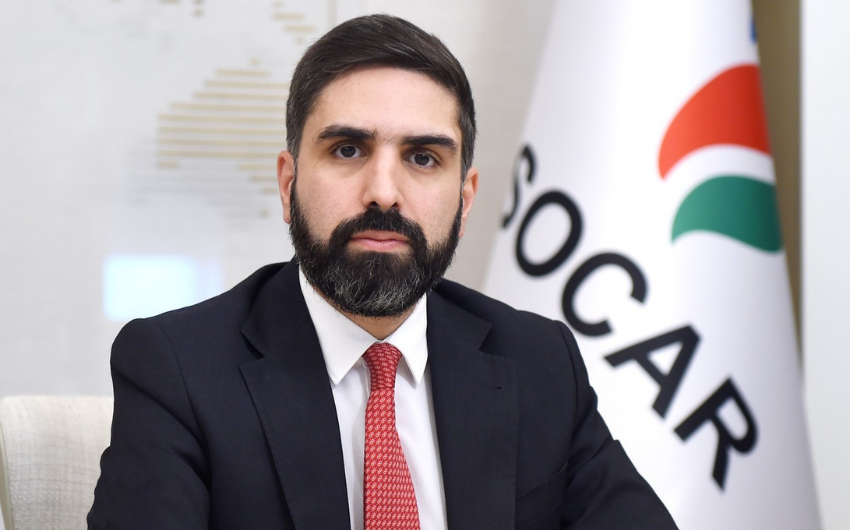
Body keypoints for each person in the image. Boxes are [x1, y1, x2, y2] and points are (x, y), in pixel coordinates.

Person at [88, 13, 678, 530]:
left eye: (423, 157)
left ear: (465, 200)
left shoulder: (539, 362)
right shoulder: (177, 370)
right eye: (348, 149)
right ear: (289, 183)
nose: (384, 192)